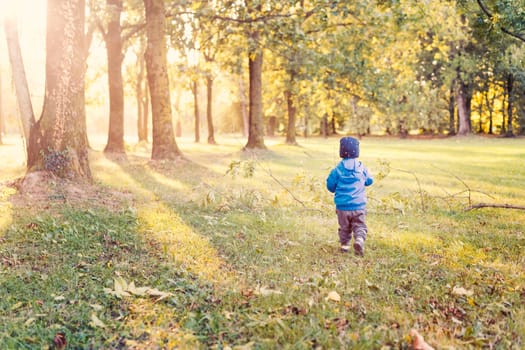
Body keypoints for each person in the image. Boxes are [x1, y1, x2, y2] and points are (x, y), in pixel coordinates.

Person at [326, 137, 373, 256]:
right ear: (357, 151)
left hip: (342, 207)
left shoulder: (337, 170)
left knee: (344, 227)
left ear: (341, 151)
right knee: (360, 225)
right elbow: (369, 181)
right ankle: (359, 240)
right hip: (359, 205)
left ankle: (345, 246)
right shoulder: (361, 168)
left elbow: (330, 186)